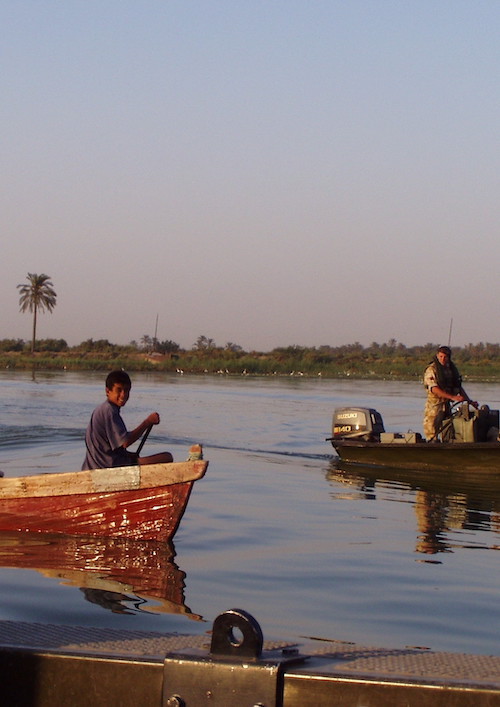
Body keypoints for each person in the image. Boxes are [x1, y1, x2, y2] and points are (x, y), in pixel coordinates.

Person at [82, 370, 173, 470]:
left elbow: (112, 447)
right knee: (167, 457)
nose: (123, 394)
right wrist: (147, 422)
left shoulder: (104, 409)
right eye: (119, 390)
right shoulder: (109, 410)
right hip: (108, 467)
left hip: (98, 465)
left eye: (126, 390)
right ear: (108, 391)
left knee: (140, 457)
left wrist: (128, 455)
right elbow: (125, 442)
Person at [423, 346, 477, 441]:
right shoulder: (431, 370)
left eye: (445, 357)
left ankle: (446, 446)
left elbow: (458, 387)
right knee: (431, 429)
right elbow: (434, 389)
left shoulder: (450, 370)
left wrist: (470, 402)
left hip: (447, 405)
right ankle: (432, 445)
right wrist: (452, 397)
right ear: (437, 356)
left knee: (448, 428)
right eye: (441, 356)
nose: (443, 359)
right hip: (435, 405)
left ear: (449, 358)